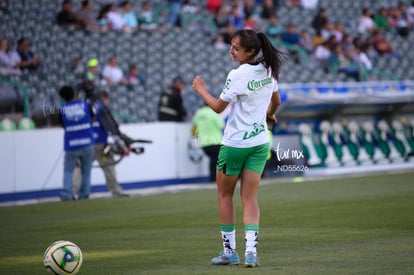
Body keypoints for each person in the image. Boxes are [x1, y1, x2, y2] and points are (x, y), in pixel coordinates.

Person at [192, 29, 283, 267]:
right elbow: (276, 101)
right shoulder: (268, 69)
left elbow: (218, 107)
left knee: (224, 195)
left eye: (236, 48)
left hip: (235, 144)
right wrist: (269, 115)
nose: (231, 51)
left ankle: (229, 252)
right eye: (231, 46)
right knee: (250, 198)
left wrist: (200, 89)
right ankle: (251, 252)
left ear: (250, 51)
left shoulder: (238, 74)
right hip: (260, 142)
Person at [58, 85, 94, 201]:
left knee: (68, 170)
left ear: (63, 98)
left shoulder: (62, 109)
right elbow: (92, 119)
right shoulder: (85, 105)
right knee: (86, 171)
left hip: (71, 144)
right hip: (87, 142)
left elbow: (62, 125)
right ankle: (85, 194)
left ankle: (66, 194)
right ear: (74, 94)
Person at [192, 104, 225, 182]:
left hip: (204, 143)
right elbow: (221, 125)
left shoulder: (198, 113)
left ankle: (213, 177)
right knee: (218, 159)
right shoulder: (213, 113)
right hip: (216, 141)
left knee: (213, 159)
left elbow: (194, 125)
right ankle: (217, 178)